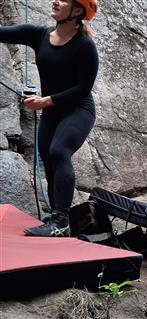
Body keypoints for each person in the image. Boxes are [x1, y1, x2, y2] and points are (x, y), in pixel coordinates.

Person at [0, 0, 99, 237]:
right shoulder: (39, 35)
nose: (55, 1)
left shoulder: (85, 46)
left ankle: (60, 221)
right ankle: (57, 218)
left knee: (58, 151)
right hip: (53, 112)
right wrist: (47, 104)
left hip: (78, 110)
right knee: (47, 156)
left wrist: (45, 100)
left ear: (77, 11)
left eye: (63, 0)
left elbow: (83, 88)